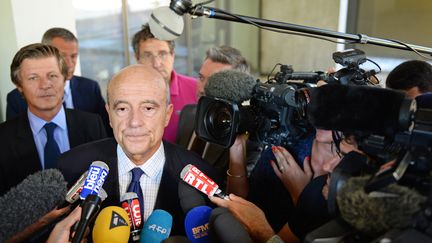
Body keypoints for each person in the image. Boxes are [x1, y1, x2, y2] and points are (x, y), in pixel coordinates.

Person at [57, 64, 220, 236]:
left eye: (148, 108)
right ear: (109, 115)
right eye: (122, 109)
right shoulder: (71, 167)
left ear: (167, 114)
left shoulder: (203, 179)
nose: (134, 122)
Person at [0, 43, 107, 196]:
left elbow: (107, 183)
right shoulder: (3, 139)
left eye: (52, 76)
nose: (45, 85)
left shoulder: (92, 125)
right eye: (33, 78)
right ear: (19, 86)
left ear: (65, 79)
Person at [6, 27, 111, 136]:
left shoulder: (90, 90)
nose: (70, 64)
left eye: (73, 56)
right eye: (33, 78)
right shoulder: (14, 102)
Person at [176, 45, 261, 178]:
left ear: (238, 88)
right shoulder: (188, 113)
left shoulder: (250, 138)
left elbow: (240, 196)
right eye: (201, 78)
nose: (203, 88)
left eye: (215, 82)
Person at [132, 24, 197, 143]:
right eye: (148, 55)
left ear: (173, 55)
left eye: (162, 54)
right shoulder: (128, 93)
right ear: (137, 58)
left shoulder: (197, 89)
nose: (156, 63)